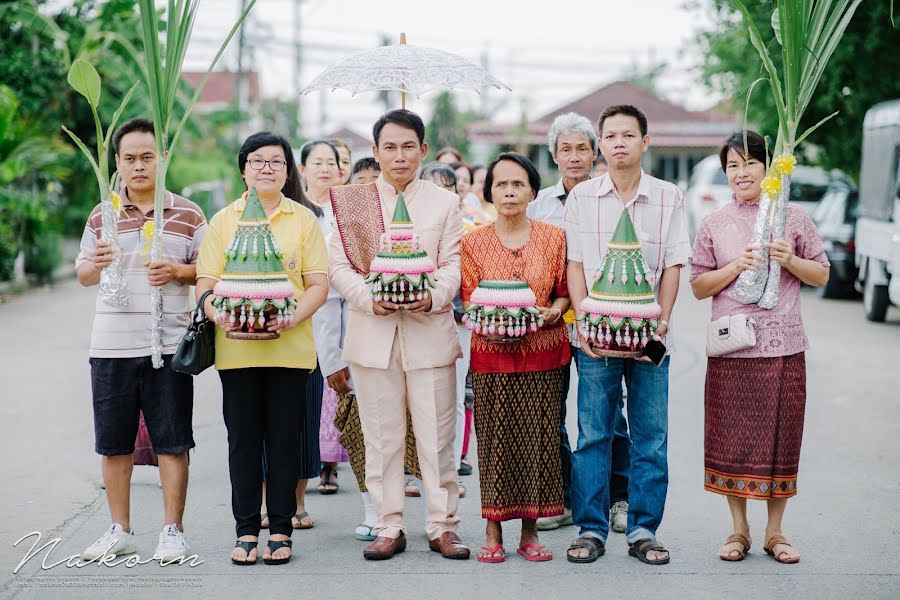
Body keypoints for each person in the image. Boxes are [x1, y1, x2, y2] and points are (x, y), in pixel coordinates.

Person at [328, 109, 469, 561]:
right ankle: (389, 525)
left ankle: (442, 525)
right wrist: (371, 297)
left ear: (423, 150)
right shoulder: (352, 202)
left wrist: (430, 297)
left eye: (409, 146)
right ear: (375, 151)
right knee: (382, 438)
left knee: (436, 437)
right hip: (374, 337)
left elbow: (452, 266)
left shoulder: (444, 204)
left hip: (429, 334)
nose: (399, 155)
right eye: (389, 146)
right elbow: (338, 267)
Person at [690, 131, 829, 564]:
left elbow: (821, 275)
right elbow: (698, 286)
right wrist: (737, 265)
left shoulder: (794, 218)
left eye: (750, 162)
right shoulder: (714, 222)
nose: (741, 172)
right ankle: (738, 531)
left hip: (784, 348)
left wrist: (789, 260)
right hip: (734, 350)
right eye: (732, 165)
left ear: (768, 168)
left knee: (780, 440)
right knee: (731, 440)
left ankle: (775, 532)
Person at [76, 118, 206, 563]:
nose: (138, 166)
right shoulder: (102, 214)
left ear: (162, 159)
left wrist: (177, 271)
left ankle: (173, 531)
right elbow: (83, 275)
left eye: (147, 157)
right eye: (129, 158)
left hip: (167, 347)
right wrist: (97, 261)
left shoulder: (187, 213)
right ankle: (120, 529)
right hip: (110, 346)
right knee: (113, 443)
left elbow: (207, 271)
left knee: (173, 440)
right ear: (116, 163)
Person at [195, 131, 328, 565]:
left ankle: (282, 529)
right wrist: (220, 313)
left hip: (290, 350)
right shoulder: (223, 220)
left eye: (276, 161)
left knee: (285, 441)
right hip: (236, 351)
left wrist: (292, 316)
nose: (266, 168)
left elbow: (317, 284)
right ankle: (247, 530)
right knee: (244, 442)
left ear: (288, 172)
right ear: (243, 169)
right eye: (257, 161)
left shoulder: (303, 219)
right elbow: (206, 284)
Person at [565, 105, 690, 565]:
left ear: (644, 141)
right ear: (601, 143)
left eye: (627, 135)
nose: (618, 143)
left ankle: (643, 529)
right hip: (595, 339)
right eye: (610, 135)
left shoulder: (668, 196)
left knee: (650, 436)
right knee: (594, 434)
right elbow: (574, 264)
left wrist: (660, 324)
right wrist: (583, 322)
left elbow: (675, 264)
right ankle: (591, 528)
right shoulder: (582, 198)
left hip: (651, 339)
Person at [462, 152, 571, 563]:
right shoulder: (472, 241)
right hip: (491, 357)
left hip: (544, 354)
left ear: (532, 191)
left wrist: (555, 310)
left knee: (539, 443)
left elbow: (563, 290)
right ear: (489, 191)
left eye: (518, 184)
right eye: (501, 184)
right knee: (493, 443)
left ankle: (530, 533)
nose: (509, 191)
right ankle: (492, 531)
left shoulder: (553, 237)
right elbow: (471, 298)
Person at [529, 113, 631, 534]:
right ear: (554, 155)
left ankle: (618, 498)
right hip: (552, 325)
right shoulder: (538, 207)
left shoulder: (611, 199)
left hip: (597, 325)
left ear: (596, 153)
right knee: (550, 414)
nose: (574, 157)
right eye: (565, 149)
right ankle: (569, 497)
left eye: (582, 149)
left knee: (606, 415)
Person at [299, 139, 350, 497]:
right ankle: (306, 463)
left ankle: (330, 465)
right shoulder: (295, 210)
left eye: (330, 162)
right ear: (302, 169)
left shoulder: (346, 209)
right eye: (316, 162)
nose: (324, 168)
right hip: (304, 307)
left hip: (340, 304)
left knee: (337, 384)